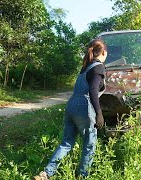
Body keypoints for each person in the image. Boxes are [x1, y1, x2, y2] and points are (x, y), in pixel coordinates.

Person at [34, 39, 107, 179]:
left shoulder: (85, 67)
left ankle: (46, 174)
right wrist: (99, 113)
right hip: (84, 108)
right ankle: (82, 176)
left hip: (72, 105)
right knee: (89, 146)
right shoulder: (99, 67)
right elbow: (92, 90)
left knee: (66, 143)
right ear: (103, 52)